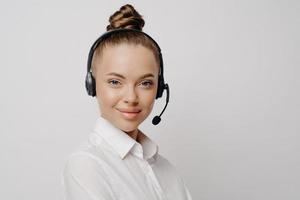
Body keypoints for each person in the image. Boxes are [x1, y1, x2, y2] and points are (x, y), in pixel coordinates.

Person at [62, 4, 192, 200]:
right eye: (115, 82)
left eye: (145, 83)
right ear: (92, 84)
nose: (131, 98)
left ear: (159, 88)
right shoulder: (86, 165)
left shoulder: (166, 169)